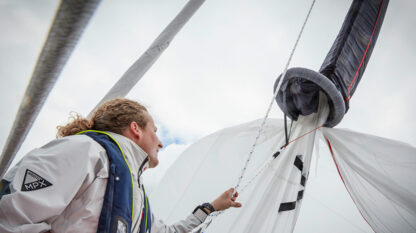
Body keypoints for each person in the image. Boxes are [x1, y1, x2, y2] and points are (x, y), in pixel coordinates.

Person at [0, 98, 242, 233]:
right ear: (136, 128)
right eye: (155, 131)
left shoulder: (136, 199)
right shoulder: (83, 150)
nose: (160, 142)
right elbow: (11, 219)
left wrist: (211, 207)